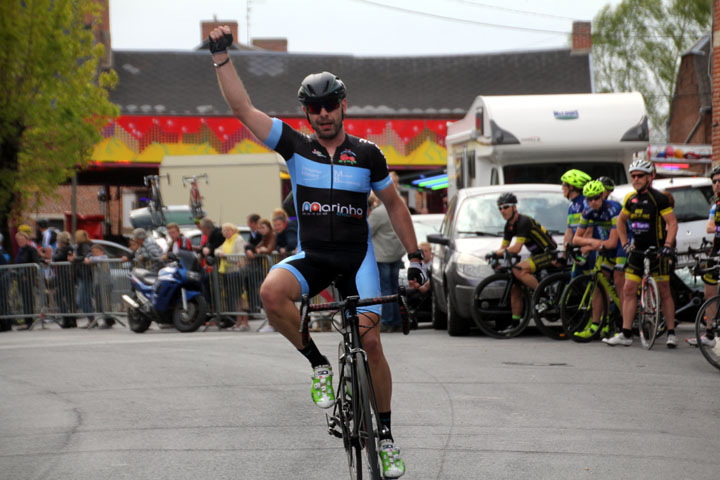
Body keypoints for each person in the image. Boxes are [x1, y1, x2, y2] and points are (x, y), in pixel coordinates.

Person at [208, 26, 425, 478]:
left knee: (371, 342)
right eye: (314, 107)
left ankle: (384, 436)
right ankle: (319, 363)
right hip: (313, 257)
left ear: (343, 105)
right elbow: (241, 108)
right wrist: (220, 54)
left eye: (330, 105)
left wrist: (416, 258)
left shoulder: (368, 155)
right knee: (270, 293)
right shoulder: (294, 145)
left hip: (357, 259)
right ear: (306, 112)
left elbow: (394, 205)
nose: (323, 114)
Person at [607, 153, 678, 347]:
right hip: (637, 251)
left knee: (664, 291)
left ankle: (671, 333)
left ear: (649, 177)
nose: (636, 179)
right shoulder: (631, 199)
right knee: (629, 289)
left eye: (640, 176)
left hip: (657, 251)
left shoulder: (659, 199)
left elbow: (672, 224)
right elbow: (620, 222)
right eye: (633, 176)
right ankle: (626, 333)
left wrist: (667, 246)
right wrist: (625, 243)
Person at [495, 192, 558, 331]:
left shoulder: (523, 222)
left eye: (505, 207)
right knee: (515, 286)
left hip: (549, 253)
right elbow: (504, 248)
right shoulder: (509, 226)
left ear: (514, 207)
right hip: (536, 254)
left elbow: (516, 249)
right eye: (500, 208)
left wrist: (498, 253)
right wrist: (495, 257)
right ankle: (516, 323)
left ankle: (545, 296)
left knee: (519, 269)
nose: (502, 211)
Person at [571, 180, 622, 339]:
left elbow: (613, 242)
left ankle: (624, 324)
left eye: (596, 198)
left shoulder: (613, 208)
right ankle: (598, 324)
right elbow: (576, 239)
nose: (593, 202)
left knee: (621, 284)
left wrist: (592, 245)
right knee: (599, 283)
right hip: (604, 247)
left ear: (602, 196)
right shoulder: (588, 211)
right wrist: (595, 243)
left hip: (621, 246)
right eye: (589, 199)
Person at [688, 165, 720, 347]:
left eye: (719, 181)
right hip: (716, 249)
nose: (716, 185)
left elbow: (711, 226)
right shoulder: (715, 205)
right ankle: (709, 333)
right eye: (714, 181)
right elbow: (709, 227)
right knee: (709, 291)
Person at [369, 194, 406, 332]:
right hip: (396, 254)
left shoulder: (378, 213)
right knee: (396, 289)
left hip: (383, 256)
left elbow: (368, 230)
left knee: (385, 290)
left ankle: (387, 321)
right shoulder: (398, 209)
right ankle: (398, 320)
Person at [214, 223, 249, 331]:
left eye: (228, 230)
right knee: (235, 299)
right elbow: (217, 250)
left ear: (233, 230)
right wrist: (220, 253)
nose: (226, 232)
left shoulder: (238, 239)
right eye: (224, 230)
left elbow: (240, 256)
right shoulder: (226, 241)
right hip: (228, 271)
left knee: (240, 298)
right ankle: (238, 322)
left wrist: (226, 257)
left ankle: (245, 322)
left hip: (236, 271)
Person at [247, 218, 276, 330]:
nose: (261, 230)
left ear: (269, 227)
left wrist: (262, 250)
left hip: (271, 270)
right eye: (260, 228)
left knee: (271, 296)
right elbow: (256, 248)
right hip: (266, 270)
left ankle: (273, 323)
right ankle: (271, 322)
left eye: (263, 227)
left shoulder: (272, 236)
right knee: (266, 296)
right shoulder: (264, 238)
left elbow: (269, 249)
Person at [560, 169, 591, 269]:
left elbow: (589, 229)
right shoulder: (571, 206)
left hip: (589, 249)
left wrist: (583, 250)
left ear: (571, 187)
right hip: (579, 248)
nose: (562, 188)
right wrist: (564, 254)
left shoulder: (585, 203)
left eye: (564, 185)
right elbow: (569, 230)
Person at [13, 231, 43, 330]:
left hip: (28, 279)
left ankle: (29, 322)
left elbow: (35, 264)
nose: (20, 241)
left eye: (22, 239)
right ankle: (27, 321)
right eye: (18, 240)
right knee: (24, 300)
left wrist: (28, 275)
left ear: (26, 239)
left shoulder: (31, 250)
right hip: (20, 278)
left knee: (28, 300)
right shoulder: (20, 250)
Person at [68, 229, 94, 327]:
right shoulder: (83, 245)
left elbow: (84, 257)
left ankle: (91, 319)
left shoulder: (84, 245)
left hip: (85, 275)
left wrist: (74, 259)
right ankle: (91, 319)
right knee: (84, 298)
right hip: (83, 275)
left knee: (82, 299)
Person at [84, 243, 114, 328]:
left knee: (106, 303)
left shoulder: (104, 258)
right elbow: (91, 259)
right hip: (98, 283)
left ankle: (109, 321)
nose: (95, 253)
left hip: (106, 283)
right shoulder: (94, 258)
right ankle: (106, 319)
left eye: (97, 251)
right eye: (93, 252)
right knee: (99, 303)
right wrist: (89, 257)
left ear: (102, 251)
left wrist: (88, 258)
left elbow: (95, 259)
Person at [52, 231, 76, 328]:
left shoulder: (66, 248)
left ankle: (69, 319)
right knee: (63, 297)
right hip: (63, 276)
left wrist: (56, 252)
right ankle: (68, 318)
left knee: (65, 297)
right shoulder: (64, 248)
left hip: (66, 276)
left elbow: (57, 258)